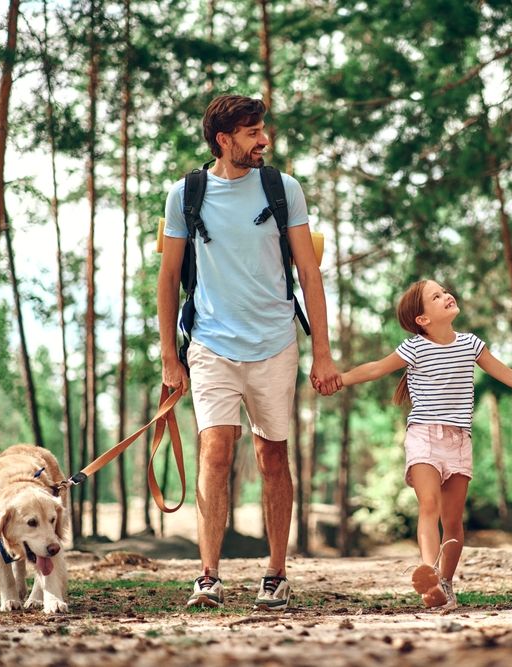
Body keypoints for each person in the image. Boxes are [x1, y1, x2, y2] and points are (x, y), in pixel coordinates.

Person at [158, 94, 340, 611]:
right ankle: (208, 576)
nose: (264, 141)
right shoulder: (185, 195)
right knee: (215, 452)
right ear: (224, 139)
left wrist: (322, 352)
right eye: (253, 132)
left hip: (276, 343)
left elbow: (309, 273)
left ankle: (276, 573)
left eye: (263, 130)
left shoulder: (283, 190)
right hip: (212, 343)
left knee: (271, 454)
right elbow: (169, 278)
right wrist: (170, 355)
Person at [336, 279, 512, 611]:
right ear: (423, 320)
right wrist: (340, 378)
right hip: (424, 437)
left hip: (459, 441)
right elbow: (376, 368)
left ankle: (444, 582)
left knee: (453, 521)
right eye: (436, 296)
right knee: (428, 507)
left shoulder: (471, 345)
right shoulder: (414, 348)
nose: (447, 296)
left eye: (445, 291)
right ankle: (430, 577)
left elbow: (509, 375)